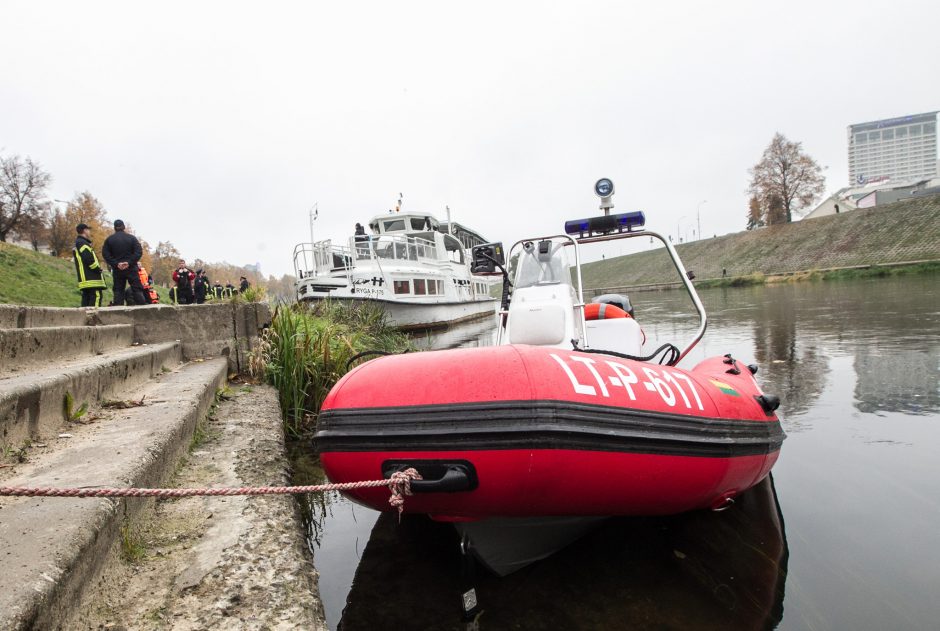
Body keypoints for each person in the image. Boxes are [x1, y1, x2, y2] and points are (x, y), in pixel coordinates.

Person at [102, 219, 146, 306]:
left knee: (118, 290)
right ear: (124, 227)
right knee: (137, 289)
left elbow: (105, 254)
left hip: (118, 269)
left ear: (114, 228)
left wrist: (116, 263)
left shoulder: (109, 240)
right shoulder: (132, 238)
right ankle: (143, 310)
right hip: (131, 268)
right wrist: (129, 262)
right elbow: (139, 252)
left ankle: (119, 312)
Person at [73, 223, 107, 307]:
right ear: (84, 230)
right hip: (91, 278)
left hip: (86, 279)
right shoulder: (82, 243)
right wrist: (97, 269)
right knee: (96, 297)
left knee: (86, 301)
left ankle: (85, 319)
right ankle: (92, 319)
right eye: (88, 230)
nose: (89, 232)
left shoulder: (79, 242)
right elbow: (88, 259)